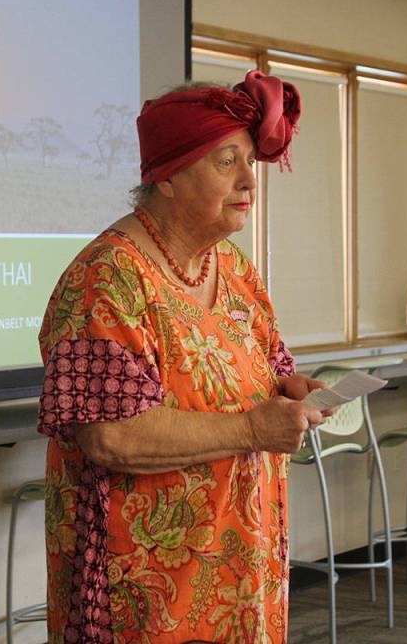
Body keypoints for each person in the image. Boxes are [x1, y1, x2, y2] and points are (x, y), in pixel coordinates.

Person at [37, 71, 333, 643]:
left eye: (250, 160)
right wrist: (251, 427)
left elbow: (268, 376)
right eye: (227, 162)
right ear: (167, 177)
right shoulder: (110, 278)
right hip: (145, 589)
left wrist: (290, 393)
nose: (250, 179)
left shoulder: (237, 271)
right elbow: (111, 436)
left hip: (242, 571)